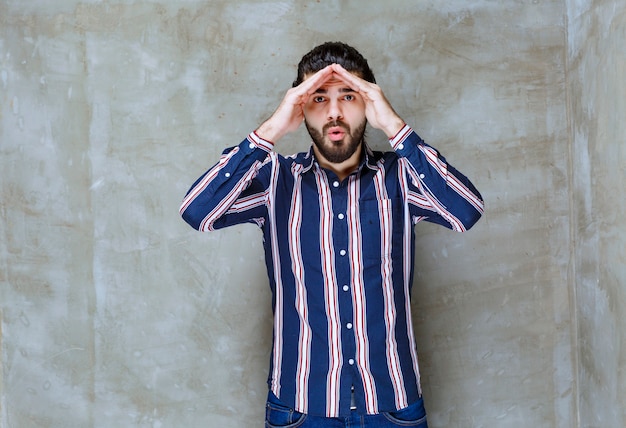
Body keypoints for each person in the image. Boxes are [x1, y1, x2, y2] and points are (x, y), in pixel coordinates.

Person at [180, 41, 483, 428]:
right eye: (318, 98)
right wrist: (271, 130)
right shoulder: (275, 180)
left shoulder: (404, 178)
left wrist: (395, 127)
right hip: (300, 408)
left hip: (393, 406)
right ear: (300, 106)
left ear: (370, 104)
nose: (335, 112)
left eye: (349, 96)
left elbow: (467, 210)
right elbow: (197, 211)